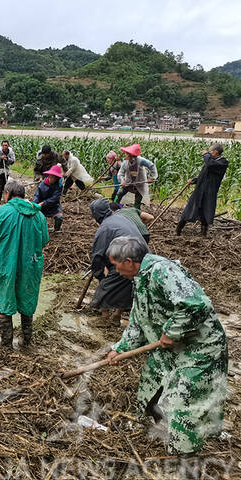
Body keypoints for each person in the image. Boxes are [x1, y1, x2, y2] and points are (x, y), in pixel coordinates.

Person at [106, 236, 228, 456]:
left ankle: (184, 455)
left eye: (115, 264)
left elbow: (196, 304)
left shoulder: (163, 271)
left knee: (185, 399)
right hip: (169, 348)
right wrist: (120, 349)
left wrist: (171, 332)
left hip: (199, 348)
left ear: (129, 261)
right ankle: (153, 424)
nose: (114, 270)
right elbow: (138, 320)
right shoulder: (140, 278)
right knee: (151, 382)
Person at [0, 181, 49, 349]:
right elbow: (44, 241)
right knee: (27, 298)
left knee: (4, 299)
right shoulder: (38, 215)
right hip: (30, 265)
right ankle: (26, 341)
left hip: (5, 265)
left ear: (7, 194)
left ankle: (6, 345)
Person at [89, 198, 148, 324]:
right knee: (127, 286)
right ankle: (116, 316)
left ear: (96, 215)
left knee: (105, 289)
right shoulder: (121, 218)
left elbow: (97, 256)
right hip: (144, 258)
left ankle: (104, 319)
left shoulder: (104, 228)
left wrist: (99, 276)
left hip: (129, 259)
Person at [176, 144, 228, 237]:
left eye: (210, 151)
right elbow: (203, 175)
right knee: (188, 210)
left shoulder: (222, 162)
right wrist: (194, 180)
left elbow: (210, 165)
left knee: (205, 212)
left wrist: (205, 154)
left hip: (209, 192)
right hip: (199, 191)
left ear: (216, 152)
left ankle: (203, 234)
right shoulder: (210, 161)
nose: (209, 153)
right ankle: (178, 230)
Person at [115, 144, 157, 210]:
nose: (125, 155)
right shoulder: (125, 163)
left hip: (140, 183)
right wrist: (122, 180)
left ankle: (136, 212)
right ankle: (114, 208)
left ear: (130, 155)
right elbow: (120, 173)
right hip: (128, 182)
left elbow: (151, 166)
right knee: (119, 193)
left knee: (138, 200)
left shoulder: (141, 160)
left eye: (126, 154)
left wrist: (152, 177)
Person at [33, 164, 64, 232]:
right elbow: (37, 195)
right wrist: (35, 203)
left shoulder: (59, 186)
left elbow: (55, 198)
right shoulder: (42, 184)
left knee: (59, 218)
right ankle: (39, 228)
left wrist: (44, 203)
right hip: (41, 205)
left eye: (54, 177)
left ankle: (56, 229)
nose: (52, 179)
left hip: (53, 205)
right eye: (51, 176)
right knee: (36, 216)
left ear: (57, 178)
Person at [0, 140, 15, 204]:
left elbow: (13, 161)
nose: (4, 147)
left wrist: (7, 159)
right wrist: (0, 158)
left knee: (6, 186)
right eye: (3, 145)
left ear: (8, 146)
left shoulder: (11, 152)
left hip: (6, 171)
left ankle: (7, 199)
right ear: (1, 146)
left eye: (6, 145)